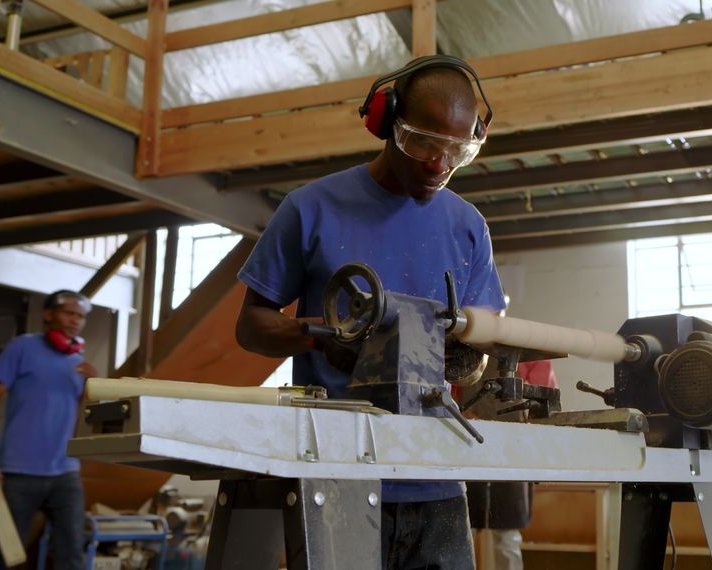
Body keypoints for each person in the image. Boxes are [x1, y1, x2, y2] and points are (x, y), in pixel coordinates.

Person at [235, 55, 505, 570]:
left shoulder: (468, 227)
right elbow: (251, 325)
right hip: (337, 470)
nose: (439, 164)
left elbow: (483, 343)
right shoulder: (311, 208)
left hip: (436, 476)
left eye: (459, 149)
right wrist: (321, 337)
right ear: (385, 121)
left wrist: (461, 359)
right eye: (423, 141)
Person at [0, 290, 97, 570]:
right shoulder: (22, 347)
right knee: (7, 553)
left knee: (72, 551)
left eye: (80, 316)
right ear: (48, 314)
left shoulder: (77, 361)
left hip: (66, 471)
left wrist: (93, 385)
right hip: (20, 470)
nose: (75, 321)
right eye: (69, 313)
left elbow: (80, 414)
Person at [462, 359, 558, 570]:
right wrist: (462, 413)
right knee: (463, 530)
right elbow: (453, 389)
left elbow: (543, 402)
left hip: (513, 445)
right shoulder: (469, 348)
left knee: (506, 536)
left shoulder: (531, 349)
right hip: (469, 441)